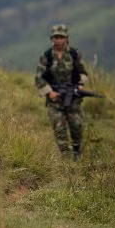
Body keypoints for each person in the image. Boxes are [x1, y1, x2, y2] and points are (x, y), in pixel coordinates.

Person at [34, 23, 91, 160]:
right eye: (56, 37)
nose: (58, 40)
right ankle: (65, 156)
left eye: (61, 37)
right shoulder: (46, 56)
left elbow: (83, 73)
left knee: (76, 125)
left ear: (67, 38)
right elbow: (38, 77)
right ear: (52, 39)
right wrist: (49, 92)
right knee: (58, 127)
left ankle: (77, 152)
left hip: (73, 98)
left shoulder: (74, 54)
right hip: (55, 99)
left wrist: (80, 84)